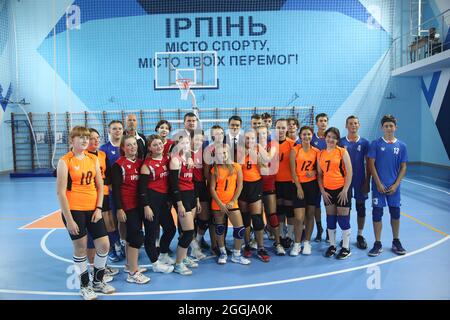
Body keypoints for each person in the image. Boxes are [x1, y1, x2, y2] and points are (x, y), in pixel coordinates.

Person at [56, 126, 115, 300]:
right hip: (74, 210)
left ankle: (98, 281)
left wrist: (98, 208)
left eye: (86, 137)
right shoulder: (64, 161)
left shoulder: (93, 159)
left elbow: (99, 186)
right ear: (71, 140)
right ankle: (84, 286)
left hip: (93, 209)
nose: (84, 140)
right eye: (80, 137)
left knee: (104, 245)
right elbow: (60, 192)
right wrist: (69, 219)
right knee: (80, 248)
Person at [111, 135, 151, 284]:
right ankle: (133, 273)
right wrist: (119, 209)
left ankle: (129, 266)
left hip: (139, 204)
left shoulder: (141, 163)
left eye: (134, 144)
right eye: (128, 145)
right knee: (136, 237)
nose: (132, 147)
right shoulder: (118, 165)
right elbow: (115, 190)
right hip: (128, 206)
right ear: (123, 148)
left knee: (131, 237)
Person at [367, 114, 408, 257]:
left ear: (395, 127)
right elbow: (371, 165)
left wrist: (396, 184)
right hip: (379, 187)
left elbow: (403, 167)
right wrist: (378, 183)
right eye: (386, 126)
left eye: (391, 126)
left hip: (394, 187)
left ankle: (396, 241)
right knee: (377, 213)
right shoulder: (376, 144)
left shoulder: (402, 146)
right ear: (382, 128)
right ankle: (377, 243)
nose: (389, 128)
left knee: (395, 213)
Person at [138, 134, 177, 274]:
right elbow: (142, 190)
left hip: (164, 201)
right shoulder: (147, 165)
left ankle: (163, 254)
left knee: (171, 228)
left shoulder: (167, 159)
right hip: (151, 201)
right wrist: (146, 206)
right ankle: (155, 264)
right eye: (155, 145)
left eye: (160, 144)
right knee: (151, 233)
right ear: (150, 148)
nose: (158, 146)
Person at [209, 144, 251, 265]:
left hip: (232, 203)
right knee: (220, 228)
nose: (223, 155)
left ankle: (236, 255)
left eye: (225, 153)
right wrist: (220, 204)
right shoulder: (214, 169)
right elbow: (212, 189)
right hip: (218, 204)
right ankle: (223, 253)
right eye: (220, 153)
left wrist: (233, 201)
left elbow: (240, 185)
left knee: (240, 229)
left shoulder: (236, 166)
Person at [85, 128, 118, 281]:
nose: (96, 141)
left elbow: (109, 177)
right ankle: (92, 267)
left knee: (108, 229)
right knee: (93, 234)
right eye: (92, 138)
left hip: (104, 197)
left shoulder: (103, 155)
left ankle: (102, 264)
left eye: (97, 138)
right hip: (90, 198)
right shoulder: (81, 156)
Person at [317, 127, 353, 259]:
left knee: (343, 219)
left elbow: (349, 172)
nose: (331, 139)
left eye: (334, 137)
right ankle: (332, 245)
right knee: (330, 219)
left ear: (337, 139)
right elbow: (319, 175)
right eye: (329, 137)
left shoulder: (342, 151)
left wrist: (345, 190)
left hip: (341, 190)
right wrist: (323, 191)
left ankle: (346, 247)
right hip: (327, 191)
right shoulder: (320, 154)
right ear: (325, 137)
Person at [169, 133, 201, 275]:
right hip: (182, 197)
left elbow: (192, 181)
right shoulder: (175, 161)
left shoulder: (187, 158)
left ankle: (184, 257)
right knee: (188, 232)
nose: (186, 145)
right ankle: (178, 264)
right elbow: (174, 185)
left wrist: (197, 199)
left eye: (187, 143)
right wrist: (179, 204)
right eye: (182, 143)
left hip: (191, 195)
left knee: (187, 230)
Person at [339, 116, 370, 249]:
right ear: (346, 126)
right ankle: (346, 235)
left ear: (359, 125)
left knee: (360, 207)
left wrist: (367, 181)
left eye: (355, 123)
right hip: (344, 180)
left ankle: (360, 235)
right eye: (350, 123)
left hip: (359, 180)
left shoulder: (364, 143)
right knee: (346, 208)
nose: (353, 125)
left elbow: (369, 163)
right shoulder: (340, 142)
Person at [239, 130, 270, 262]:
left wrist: (255, 156)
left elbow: (266, 169)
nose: (249, 141)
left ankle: (261, 247)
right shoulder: (238, 151)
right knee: (245, 219)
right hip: (242, 186)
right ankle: (247, 245)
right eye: (247, 138)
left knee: (257, 218)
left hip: (255, 185)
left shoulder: (259, 149)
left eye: (252, 138)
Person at [289, 126, 320, 256]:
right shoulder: (295, 150)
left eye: (308, 134)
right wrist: (299, 188)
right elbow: (293, 171)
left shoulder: (317, 151)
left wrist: (313, 172)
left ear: (312, 136)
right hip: (298, 186)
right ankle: (296, 244)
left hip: (312, 186)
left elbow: (319, 171)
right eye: (304, 134)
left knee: (310, 215)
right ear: (300, 136)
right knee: (299, 217)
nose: (306, 137)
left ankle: (307, 242)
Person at [100, 120, 125, 262]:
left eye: (120, 128)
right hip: (110, 192)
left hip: (126, 191)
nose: (117, 131)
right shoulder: (104, 149)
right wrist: (108, 185)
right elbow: (103, 171)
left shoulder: (127, 146)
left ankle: (121, 243)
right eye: (114, 129)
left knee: (123, 220)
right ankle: (111, 248)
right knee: (110, 221)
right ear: (109, 131)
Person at [257, 125, 284, 255]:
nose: (261, 135)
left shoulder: (273, 144)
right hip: (256, 185)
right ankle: (257, 242)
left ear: (267, 133)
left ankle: (278, 243)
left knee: (272, 214)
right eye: (259, 133)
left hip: (269, 184)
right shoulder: (253, 146)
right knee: (256, 216)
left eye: (264, 133)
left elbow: (267, 158)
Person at [274, 118, 296, 250]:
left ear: (287, 129)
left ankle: (290, 236)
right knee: (279, 210)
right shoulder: (270, 144)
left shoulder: (293, 144)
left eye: (283, 128)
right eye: (278, 127)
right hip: (275, 182)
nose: (281, 130)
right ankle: (281, 235)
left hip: (289, 182)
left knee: (290, 210)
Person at [191, 130, 213, 257]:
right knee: (190, 220)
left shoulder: (204, 153)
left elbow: (206, 172)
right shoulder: (186, 153)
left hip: (201, 186)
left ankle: (198, 241)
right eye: (196, 139)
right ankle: (193, 247)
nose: (198, 142)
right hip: (189, 187)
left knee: (204, 218)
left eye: (201, 140)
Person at [311, 113, 328, 242]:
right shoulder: (312, 139)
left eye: (325, 121)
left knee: (329, 205)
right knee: (316, 206)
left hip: (329, 178)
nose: (323, 123)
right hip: (315, 179)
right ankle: (319, 229)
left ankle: (329, 230)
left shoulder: (331, 138)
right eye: (321, 121)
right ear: (317, 123)